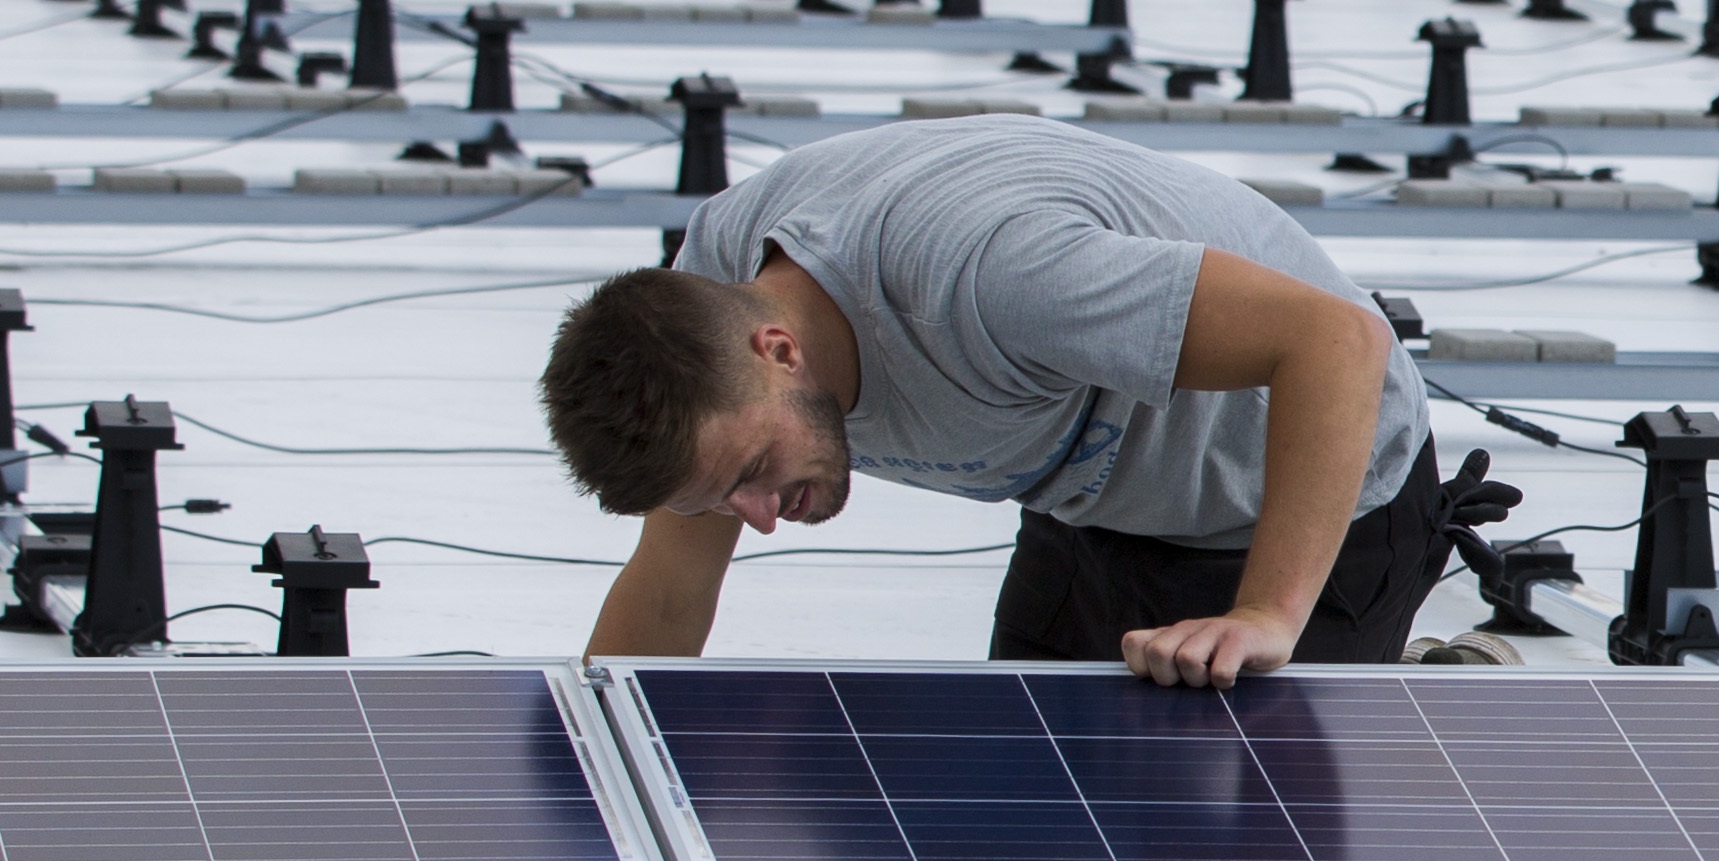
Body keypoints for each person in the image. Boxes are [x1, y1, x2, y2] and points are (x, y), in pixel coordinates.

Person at [544, 118, 1442, 686]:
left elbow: (1337, 342)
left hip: (1304, 496)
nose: (754, 519)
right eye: (718, 499)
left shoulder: (993, 278)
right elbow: (668, 594)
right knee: (1025, 842)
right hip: (1094, 504)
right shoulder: (706, 317)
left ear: (777, 350)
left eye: (748, 474)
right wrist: (606, 774)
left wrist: (1264, 615)